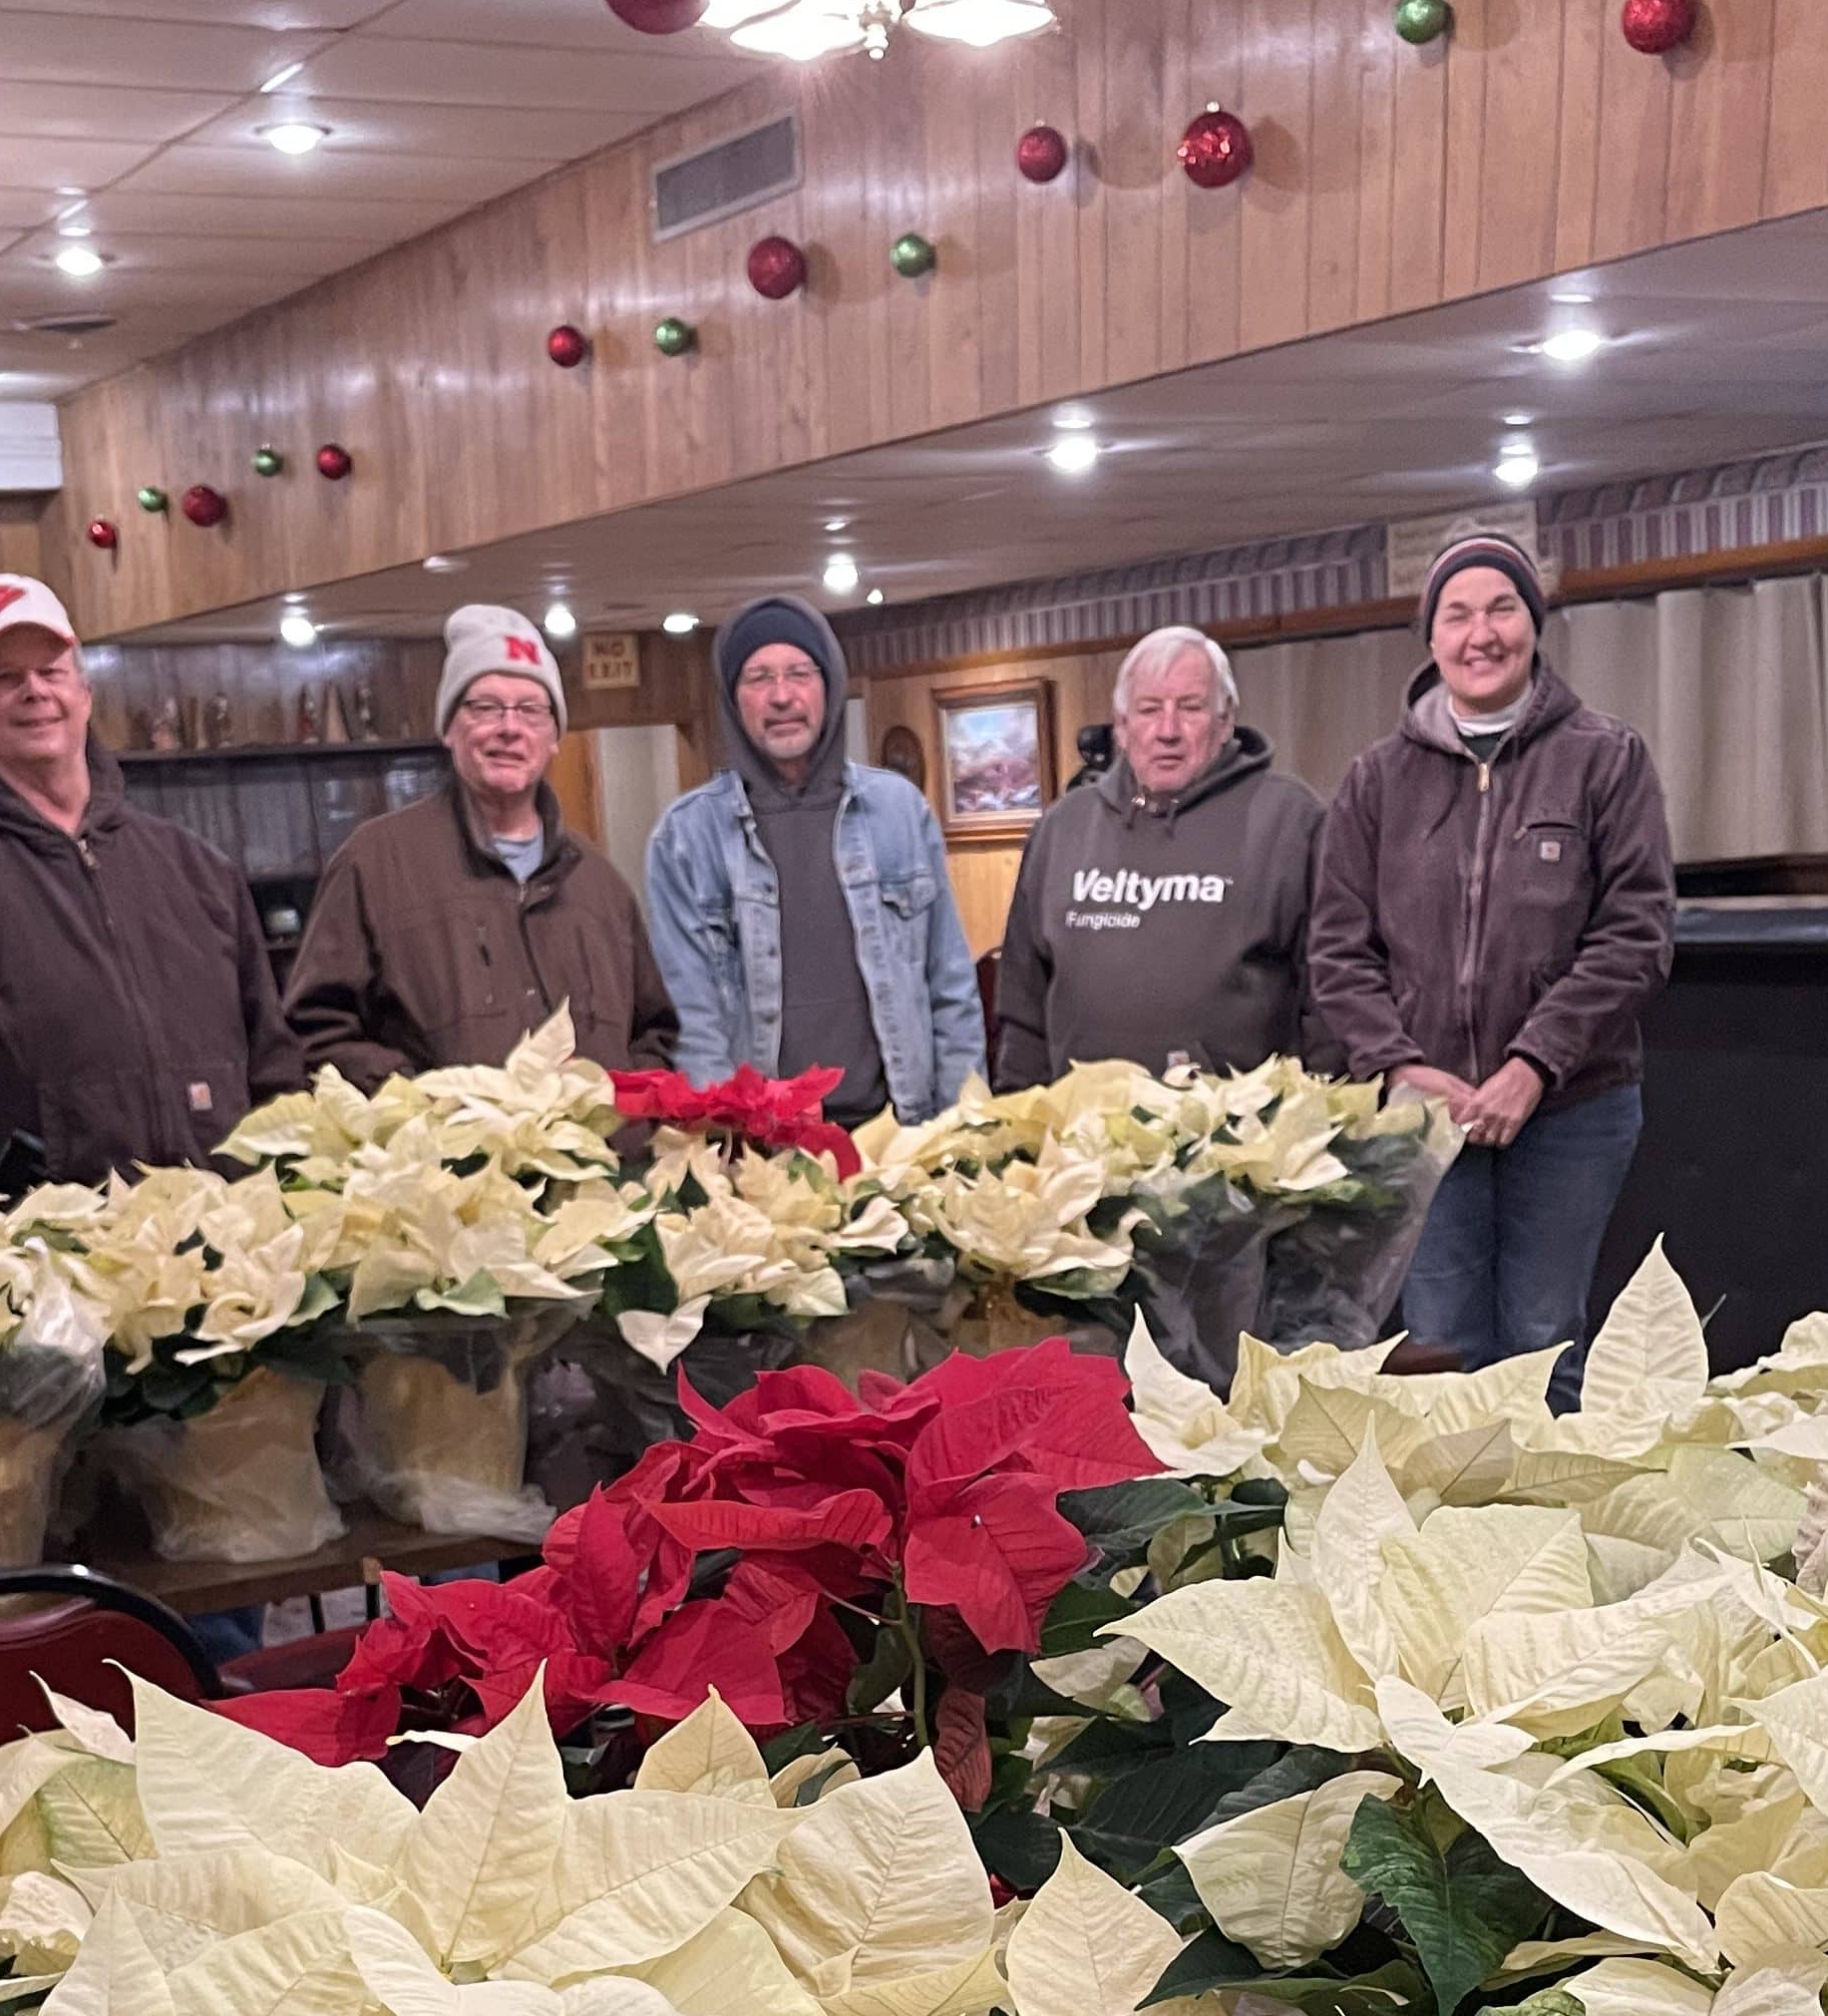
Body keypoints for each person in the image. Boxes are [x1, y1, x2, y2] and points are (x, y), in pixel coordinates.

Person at [1308, 532, 1673, 1400]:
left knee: (1546, 1340)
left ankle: (1550, 1529)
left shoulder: (1605, 758)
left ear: (1534, 624)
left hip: (1573, 1108)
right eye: (1458, 614)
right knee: (1439, 1346)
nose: (1482, 634)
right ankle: (1448, 1535)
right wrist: (1398, 1067)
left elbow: (1635, 934)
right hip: (1424, 1117)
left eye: (1502, 608)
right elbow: (1336, 948)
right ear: (1431, 637)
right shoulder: (1375, 781)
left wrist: (1532, 1064)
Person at [0, 574, 303, 1197]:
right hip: (44, 1266)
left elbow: (274, 1069)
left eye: (51, 671)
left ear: (84, 692)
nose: (34, 691)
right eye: (5, 677)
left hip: (225, 1249)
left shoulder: (195, 868)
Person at [282, 605, 679, 1084]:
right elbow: (314, 1032)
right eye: (485, 707)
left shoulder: (601, 884)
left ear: (553, 736)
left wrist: (621, 1116)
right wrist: (425, 1103)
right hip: (444, 1157)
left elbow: (655, 1037)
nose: (509, 727)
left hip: (601, 1159)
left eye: (531, 709)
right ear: (449, 728)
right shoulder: (374, 865)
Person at [646, 595, 983, 1122]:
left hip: (901, 1132)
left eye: (799, 673)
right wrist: (723, 1141)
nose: (781, 696)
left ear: (829, 686)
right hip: (763, 1148)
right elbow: (694, 1020)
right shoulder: (686, 837)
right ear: (733, 701)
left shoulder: (899, 812)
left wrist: (963, 1125)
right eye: (758, 678)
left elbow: (951, 990)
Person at [991, 627, 1328, 1087]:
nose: (1167, 731)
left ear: (1225, 721)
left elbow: (1330, 999)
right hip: (1083, 1136)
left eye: (1190, 708)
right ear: (1122, 728)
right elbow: (1023, 1006)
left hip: (1242, 1140)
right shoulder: (1062, 828)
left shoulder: (1291, 820)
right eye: (1149, 710)